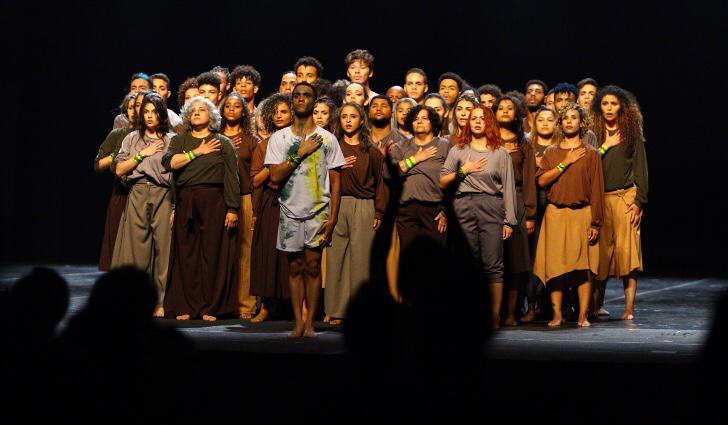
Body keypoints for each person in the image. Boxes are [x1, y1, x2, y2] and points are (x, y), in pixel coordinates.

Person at [265, 82, 345, 337]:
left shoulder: (328, 139)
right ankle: (297, 321)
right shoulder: (280, 138)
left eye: (306, 96)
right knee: (294, 267)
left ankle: (310, 322)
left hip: (318, 211)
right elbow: (274, 176)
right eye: (297, 95)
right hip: (289, 210)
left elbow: (335, 181)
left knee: (313, 266)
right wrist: (298, 153)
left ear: (314, 101)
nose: (301, 99)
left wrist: (333, 219)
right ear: (292, 101)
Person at [161, 96, 240, 321]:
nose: (196, 112)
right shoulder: (180, 140)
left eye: (202, 109)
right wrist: (198, 152)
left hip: (214, 201)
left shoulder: (222, 142)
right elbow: (169, 163)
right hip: (186, 199)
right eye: (192, 110)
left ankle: (210, 307)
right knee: (186, 254)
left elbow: (231, 178)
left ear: (211, 115)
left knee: (212, 253)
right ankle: (187, 305)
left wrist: (233, 208)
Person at [440, 104, 517, 329]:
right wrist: (465, 169)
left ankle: (493, 316)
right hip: (463, 205)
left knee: (493, 264)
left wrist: (509, 221)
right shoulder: (458, 150)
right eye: (473, 118)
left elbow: (509, 188)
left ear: (489, 122)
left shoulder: (500, 153)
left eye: (482, 118)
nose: (476, 121)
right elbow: (443, 181)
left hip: (491, 206)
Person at [534, 102, 604, 328]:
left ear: (581, 122)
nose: (569, 121)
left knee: (584, 268)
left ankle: (582, 315)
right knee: (555, 267)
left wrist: (596, 223)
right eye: (565, 118)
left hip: (582, 213)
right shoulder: (552, 152)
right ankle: (557, 315)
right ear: (560, 123)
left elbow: (596, 189)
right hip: (556, 213)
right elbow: (541, 180)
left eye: (574, 117)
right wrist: (565, 163)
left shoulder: (591, 153)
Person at [111, 92, 175, 317]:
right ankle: (138, 300)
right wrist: (142, 155)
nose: (149, 116)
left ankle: (160, 302)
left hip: (163, 193)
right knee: (138, 249)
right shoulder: (131, 139)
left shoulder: (171, 139)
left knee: (164, 250)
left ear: (161, 114)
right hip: (138, 191)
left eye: (154, 111)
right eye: (145, 111)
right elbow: (119, 169)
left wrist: (175, 207)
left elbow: (177, 174)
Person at [325, 102, 387, 325]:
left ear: (361, 120)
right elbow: (323, 179)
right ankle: (336, 309)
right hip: (339, 205)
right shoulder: (334, 148)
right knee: (336, 258)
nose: (348, 120)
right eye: (344, 117)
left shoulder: (370, 150)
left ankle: (359, 310)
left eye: (353, 116)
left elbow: (381, 182)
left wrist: (379, 211)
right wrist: (337, 167)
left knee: (360, 260)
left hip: (364, 205)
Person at [591, 86, 648, 321]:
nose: (609, 108)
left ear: (621, 107)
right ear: (599, 107)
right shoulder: (594, 134)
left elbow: (641, 169)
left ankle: (628, 308)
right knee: (600, 255)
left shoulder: (631, 134)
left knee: (628, 255)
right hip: (600, 200)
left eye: (614, 104)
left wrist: (639, 201)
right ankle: (596, 305)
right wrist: (606, 145)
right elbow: (588, 163)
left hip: (625, 199)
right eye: (605, 104)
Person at [250, 93, 293, 323]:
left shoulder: (302, 140)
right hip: (271, 201)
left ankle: (298, 307)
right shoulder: (264, 145)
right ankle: (266, 307)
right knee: (268, 255)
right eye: (275, 112)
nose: (279, 116)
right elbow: (256, 180)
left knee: (294, 256)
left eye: (284, 111)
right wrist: (274, 164)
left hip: (296, 201)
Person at [493, 95, 537, 326]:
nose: (505, 111)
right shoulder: (487, 141)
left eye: (510, 108)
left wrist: (530, 214)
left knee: (515, 261)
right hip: (491, 200)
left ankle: (511, 312)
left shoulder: (523, 144)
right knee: (493, 259)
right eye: (500, 108)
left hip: (517, 201)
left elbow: (529, 180)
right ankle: (493, 312)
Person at [220, 92, 261, 319]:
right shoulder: (214, 137)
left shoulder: (250, 140)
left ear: (243, 111)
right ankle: (221, 302)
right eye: (228, 106)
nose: (232, 110)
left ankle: (245, 304)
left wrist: (255, 208)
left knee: (245, 253)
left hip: (244, 198)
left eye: (237, 106)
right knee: (222, 253)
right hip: (219, 199)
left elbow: (255, 177)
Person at [389, 105, 450, 251]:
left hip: (434, 210)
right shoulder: (401, 146)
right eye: (416, 119)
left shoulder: (444, 145)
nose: (419, 121)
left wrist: (446, 211)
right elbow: (389, 173)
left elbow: (453, 179)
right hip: (406, 211)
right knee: (410, 261)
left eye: (424, 118)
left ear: (432, 122)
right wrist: (416, 158)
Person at [95, 93, 138, 271]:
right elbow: (98, 164)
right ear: (126, 111)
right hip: (120, 192)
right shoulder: (118, 134)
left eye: (138, 107)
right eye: (130, 107)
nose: (134, 111)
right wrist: (118, 155)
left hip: (141, 191)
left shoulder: (152, 136)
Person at [522, 106, 557, 322]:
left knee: (554, 257)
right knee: (534, 258)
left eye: (549, 120)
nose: (545, 123)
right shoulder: (528, 145)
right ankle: (532, 305)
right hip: (534, 206)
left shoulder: (560, 147)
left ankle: (555, 305)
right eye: (541, 120)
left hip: (554, 205)